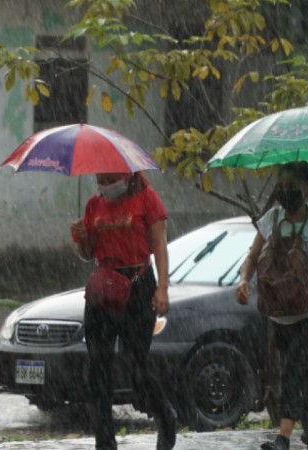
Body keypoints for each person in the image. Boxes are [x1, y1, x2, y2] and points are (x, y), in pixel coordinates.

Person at [235, 161, 308, 450]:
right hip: (281, 310)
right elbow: (252, 255)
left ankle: (283, 437)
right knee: (299, 371)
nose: (286, 192)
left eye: (292, 187)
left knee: (295, 368)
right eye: (281, 187)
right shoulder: (272, 218)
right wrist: (243, 280)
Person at [70, 171, 176, 450]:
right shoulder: (94, 205)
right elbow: (88, 252)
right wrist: (81, 238)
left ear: (127, 176)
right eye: (101, 181)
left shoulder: (146, 198)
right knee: (98, 368)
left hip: (138, 287)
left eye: (111, 180)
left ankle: (165, 415)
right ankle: (105, 442)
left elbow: (159, 246)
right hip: (103, 289)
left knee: (136, 368)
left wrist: (162, 288)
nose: (106, 186)